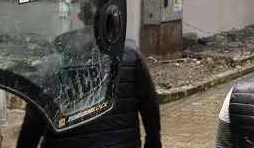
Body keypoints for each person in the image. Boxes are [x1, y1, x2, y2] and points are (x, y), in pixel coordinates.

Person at [17, 40, 161, 148]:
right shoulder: (130, 52)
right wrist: (154, 141)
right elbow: (150, 103)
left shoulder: (53, 62)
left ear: (81, 16)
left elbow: (33, 118)